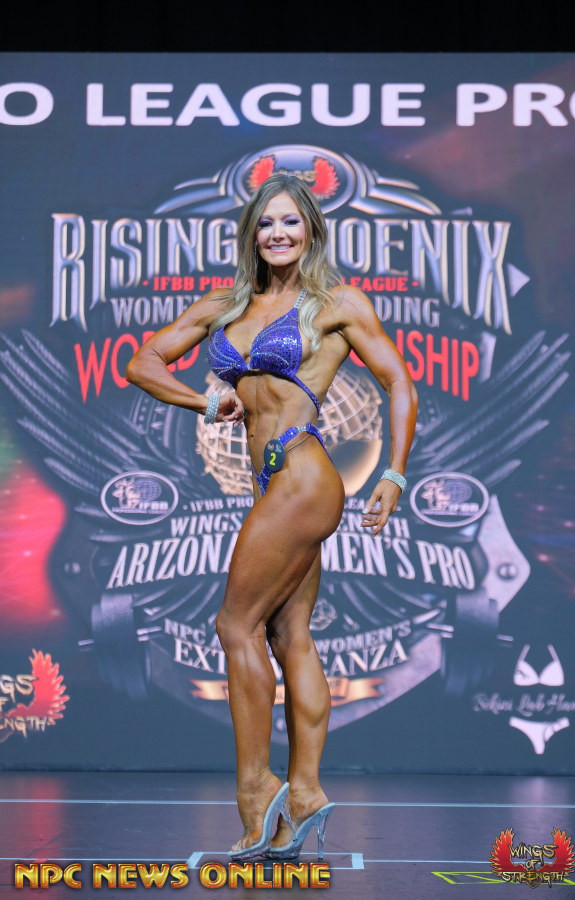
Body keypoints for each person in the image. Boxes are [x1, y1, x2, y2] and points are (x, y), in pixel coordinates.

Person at [126, 173, 418, 861]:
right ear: (251, 234)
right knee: (290, 635)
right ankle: (307, 792)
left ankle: (257, 791)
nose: (278, 233)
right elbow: (143, 363)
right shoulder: (226, 304)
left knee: (235, 626)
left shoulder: (337, 302)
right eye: (266, 222)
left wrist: (394, 473)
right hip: (271, 482)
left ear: (311, 229)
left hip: (303, 472)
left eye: (290, 221)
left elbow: (399, 382)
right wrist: (203, 401)